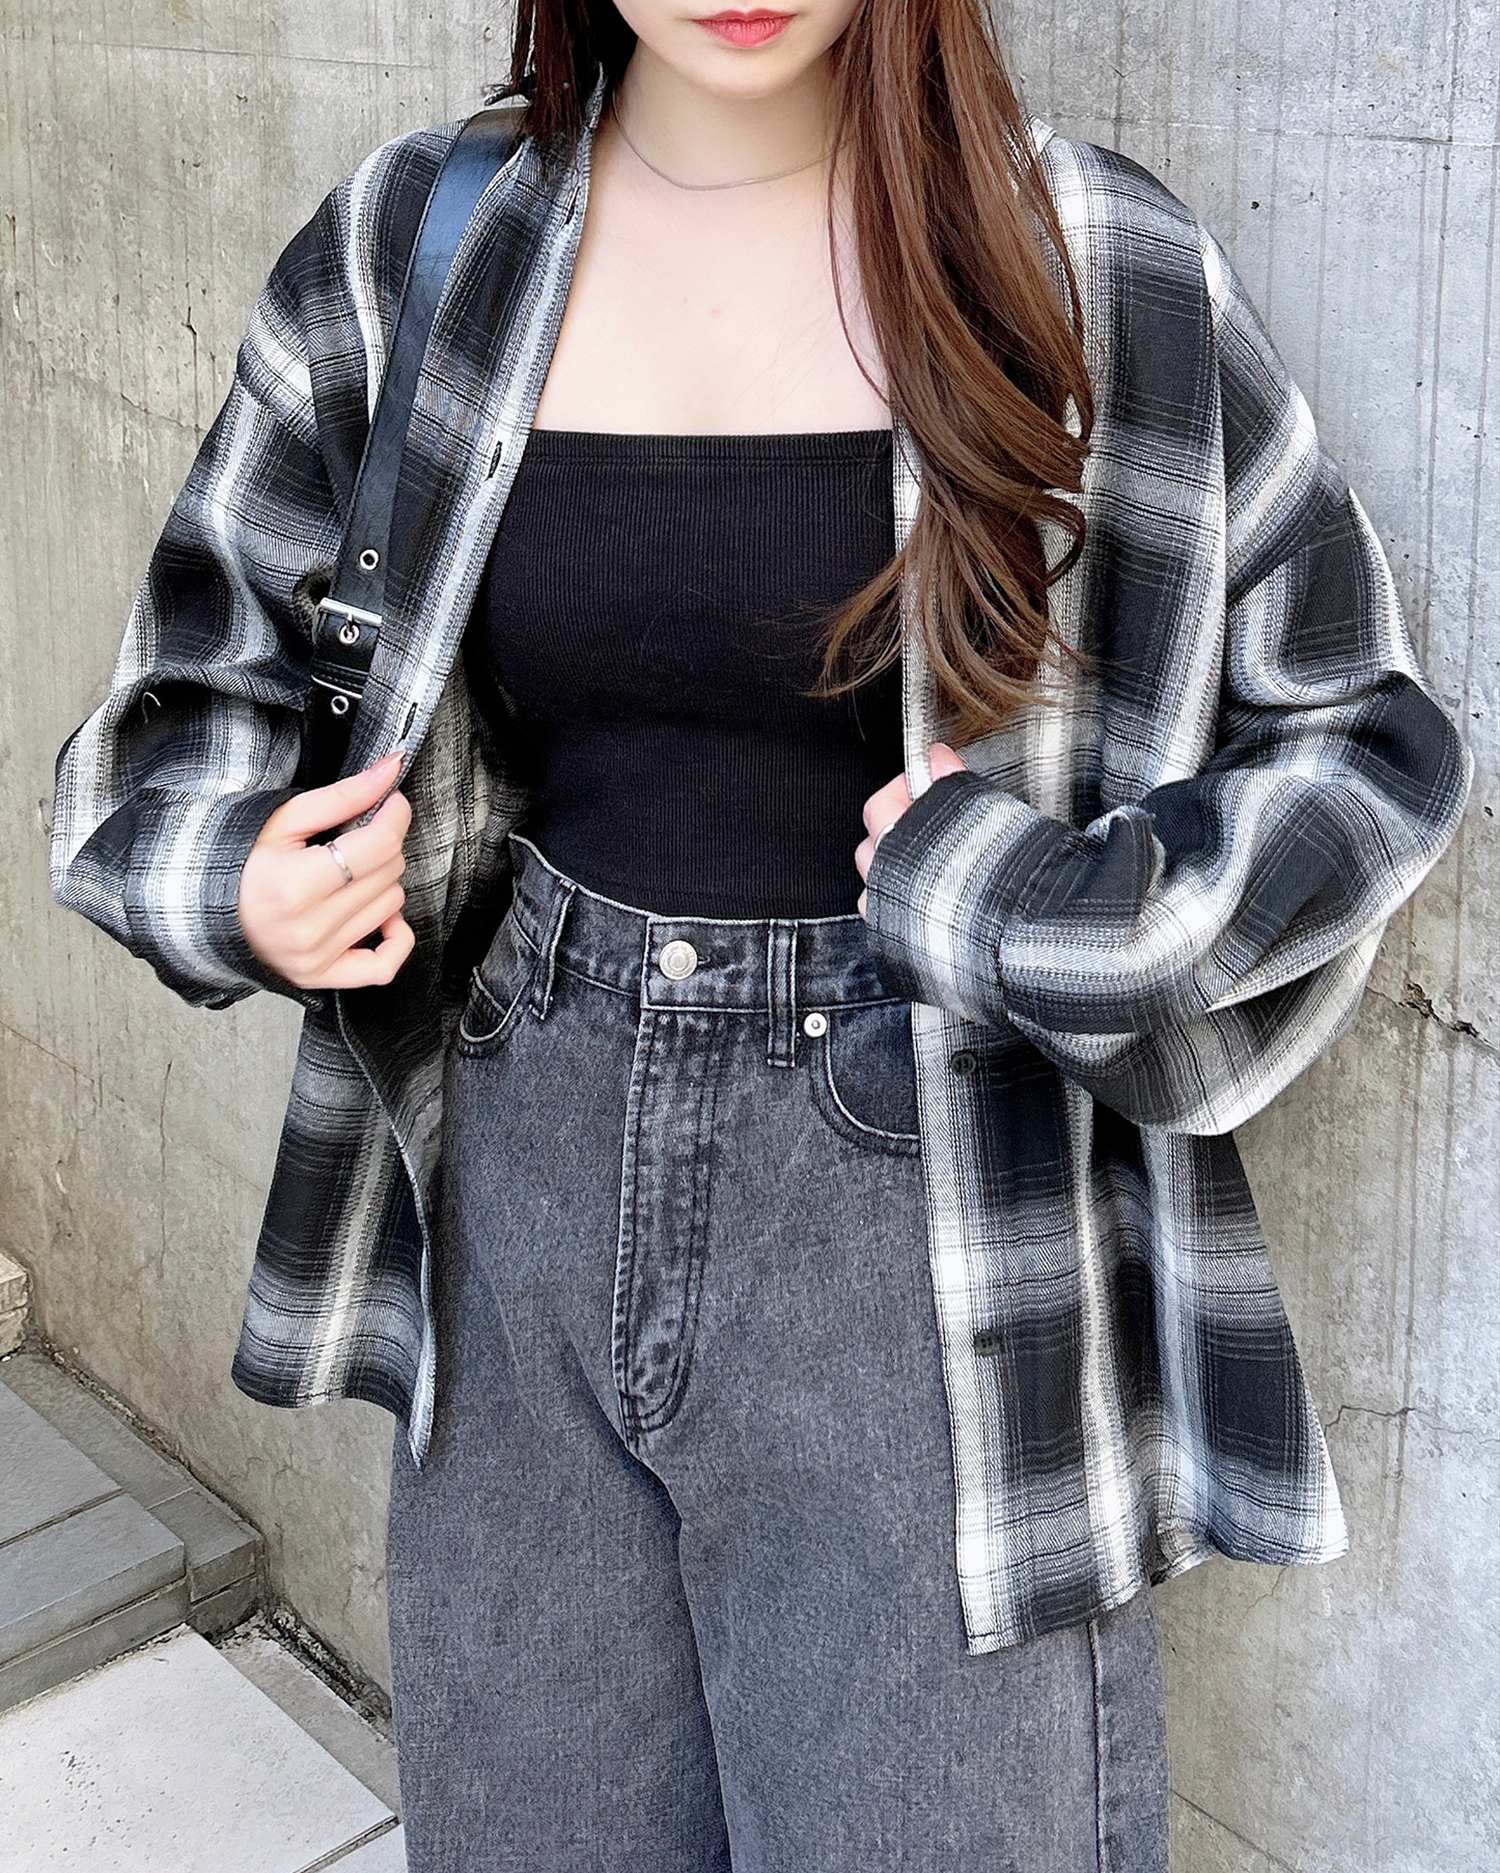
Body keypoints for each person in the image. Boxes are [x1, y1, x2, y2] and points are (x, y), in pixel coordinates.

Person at [49, 2, 1474, 1868]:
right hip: (518, 1176)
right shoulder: (419, 247)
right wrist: (238, 876)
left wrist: (1048, 913)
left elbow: (1364, 744)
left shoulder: (1082, 266)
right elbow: (174, 711)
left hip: (929, 1210)